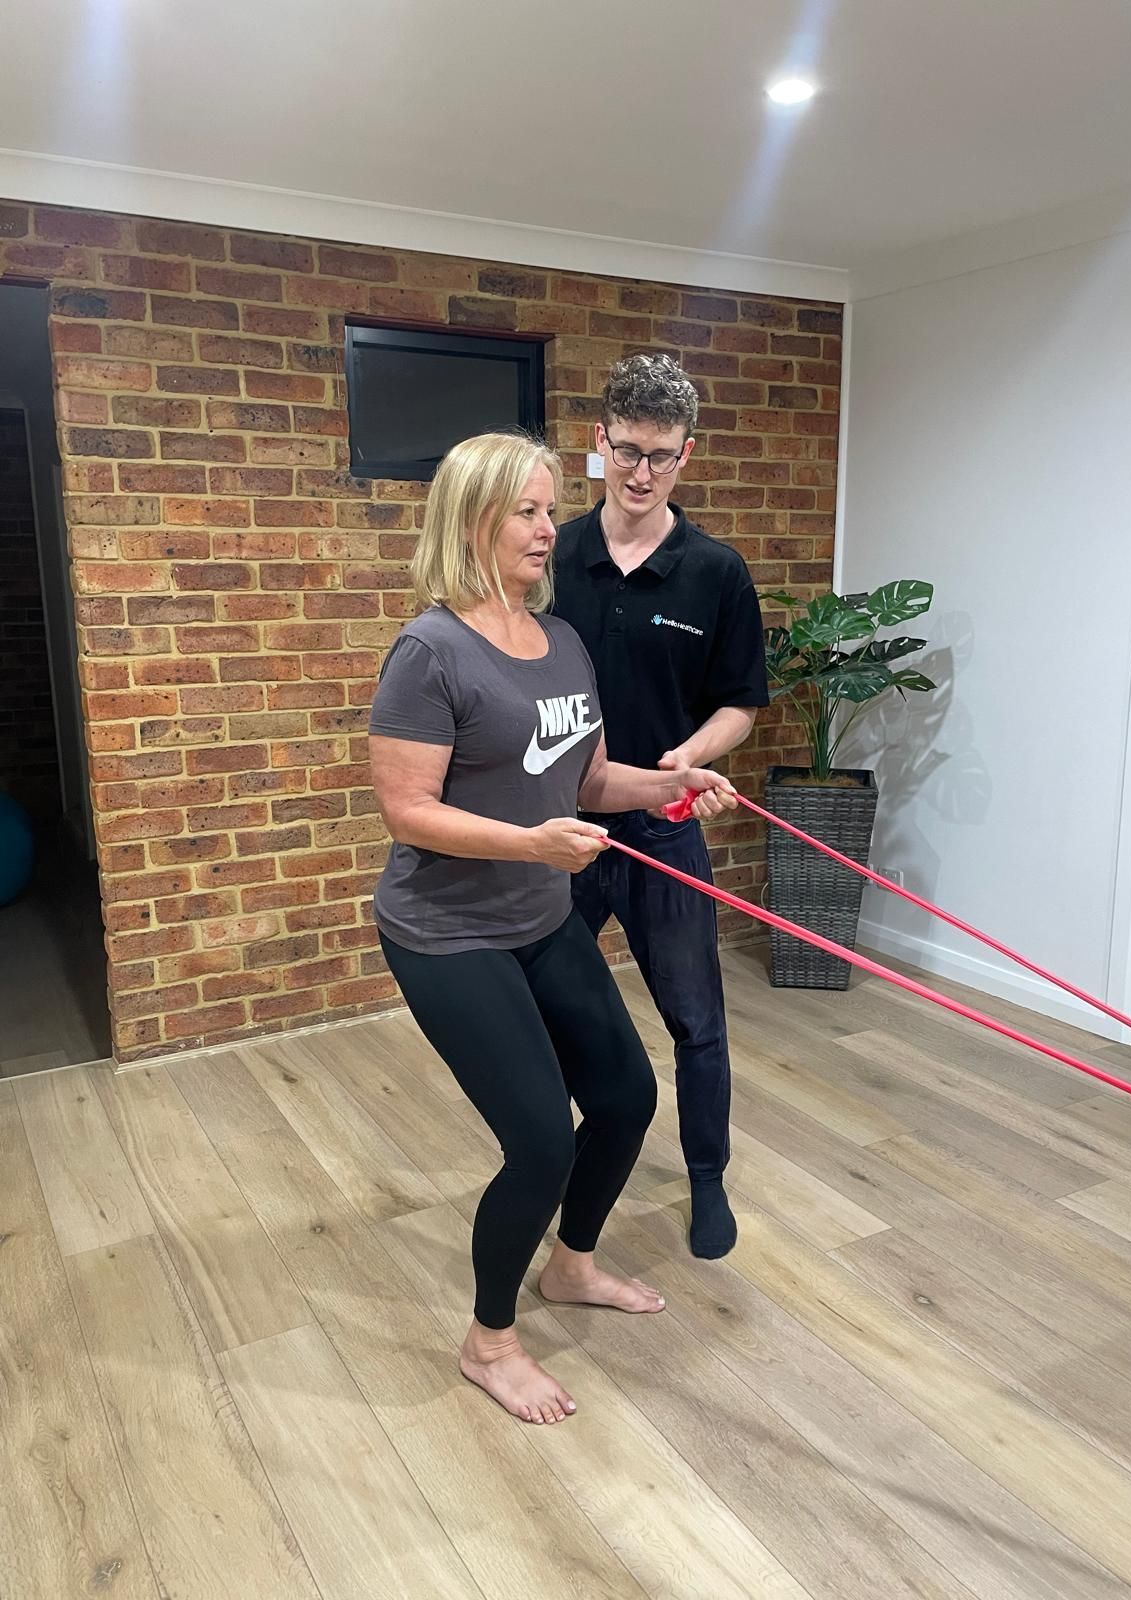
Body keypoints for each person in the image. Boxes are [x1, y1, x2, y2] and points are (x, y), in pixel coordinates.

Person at [368, 431, 736, 1425]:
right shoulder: (431, 651)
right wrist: (534, 846)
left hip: (536, 916)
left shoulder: (560, 640)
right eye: (528, 512)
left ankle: (570, 1265)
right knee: (538, 1142)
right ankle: (489, 1341)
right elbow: (408, 810)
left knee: (624, 1095)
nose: (548, 529)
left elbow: (587, 778)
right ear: (474, 521)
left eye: (546, 510)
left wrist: (671, 783)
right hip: (447, 929)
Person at [553, 354, 770, 1259]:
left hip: (663, 823)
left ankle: (707, 1179)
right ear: (599, 442)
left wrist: (695, 753)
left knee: (696, 1017)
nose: (642, 475)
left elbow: (742, 703)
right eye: (628, 451)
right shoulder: (553, 553)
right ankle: (570, 1153)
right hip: (560, 826)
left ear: (690, 454)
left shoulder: (715, 572)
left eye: (664, 456)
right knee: (549, 1000)